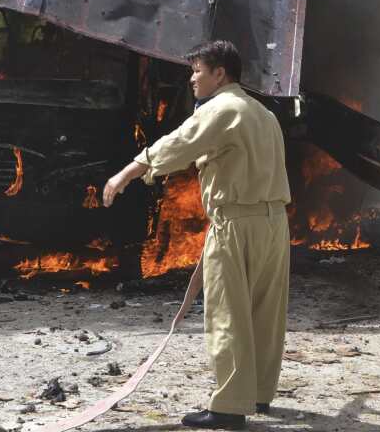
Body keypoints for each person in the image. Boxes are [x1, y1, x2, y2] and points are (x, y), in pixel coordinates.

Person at [102, 40, 291, 430]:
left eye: (198, 70)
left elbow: (180, 144)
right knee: (265, 313)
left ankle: (229, 407)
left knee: (227, 313)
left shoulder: (222, 109)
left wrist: (127, 173)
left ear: (219, 73)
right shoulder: (263, 113)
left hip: (235, 224)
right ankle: (258, 394)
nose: (191, 78)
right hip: (274, 224)